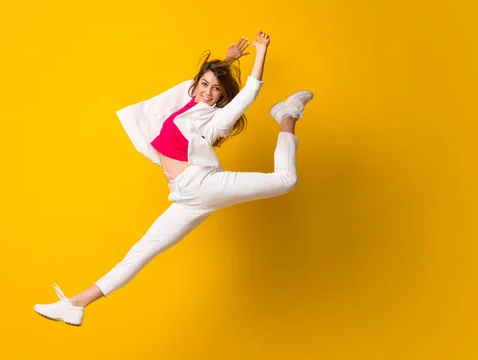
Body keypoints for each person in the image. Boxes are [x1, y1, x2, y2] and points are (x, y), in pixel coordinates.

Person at [34, 31, 314, 326]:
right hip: (184, 195)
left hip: (204, 184)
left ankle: (287, 114)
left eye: (215, 89)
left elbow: (249, 93)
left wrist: (261, 51)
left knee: (286, 180)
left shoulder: (215, 119)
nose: (207, 92)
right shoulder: (186, 104)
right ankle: (76, 304)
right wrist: (228, 61)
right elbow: (198, 84)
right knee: (141, 252)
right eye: (204, 84)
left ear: (222, 96)